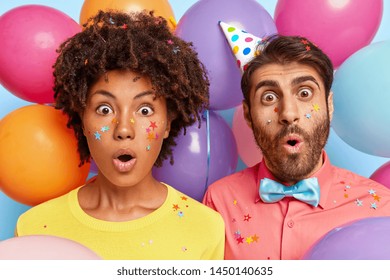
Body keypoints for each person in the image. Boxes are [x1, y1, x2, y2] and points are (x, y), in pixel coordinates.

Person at [16, 10, 224, 260]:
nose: (123, 129)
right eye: (105, 109)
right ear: (82, 119)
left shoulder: (205, 228)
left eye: (145, 109)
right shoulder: (35, 228)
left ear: (167, 123)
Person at [203, 34, 390, 260]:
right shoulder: (219, 202)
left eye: (304, 93)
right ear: (248, 115)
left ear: (329, 105)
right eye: (269, 97)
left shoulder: (379, 208)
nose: (289, 114)